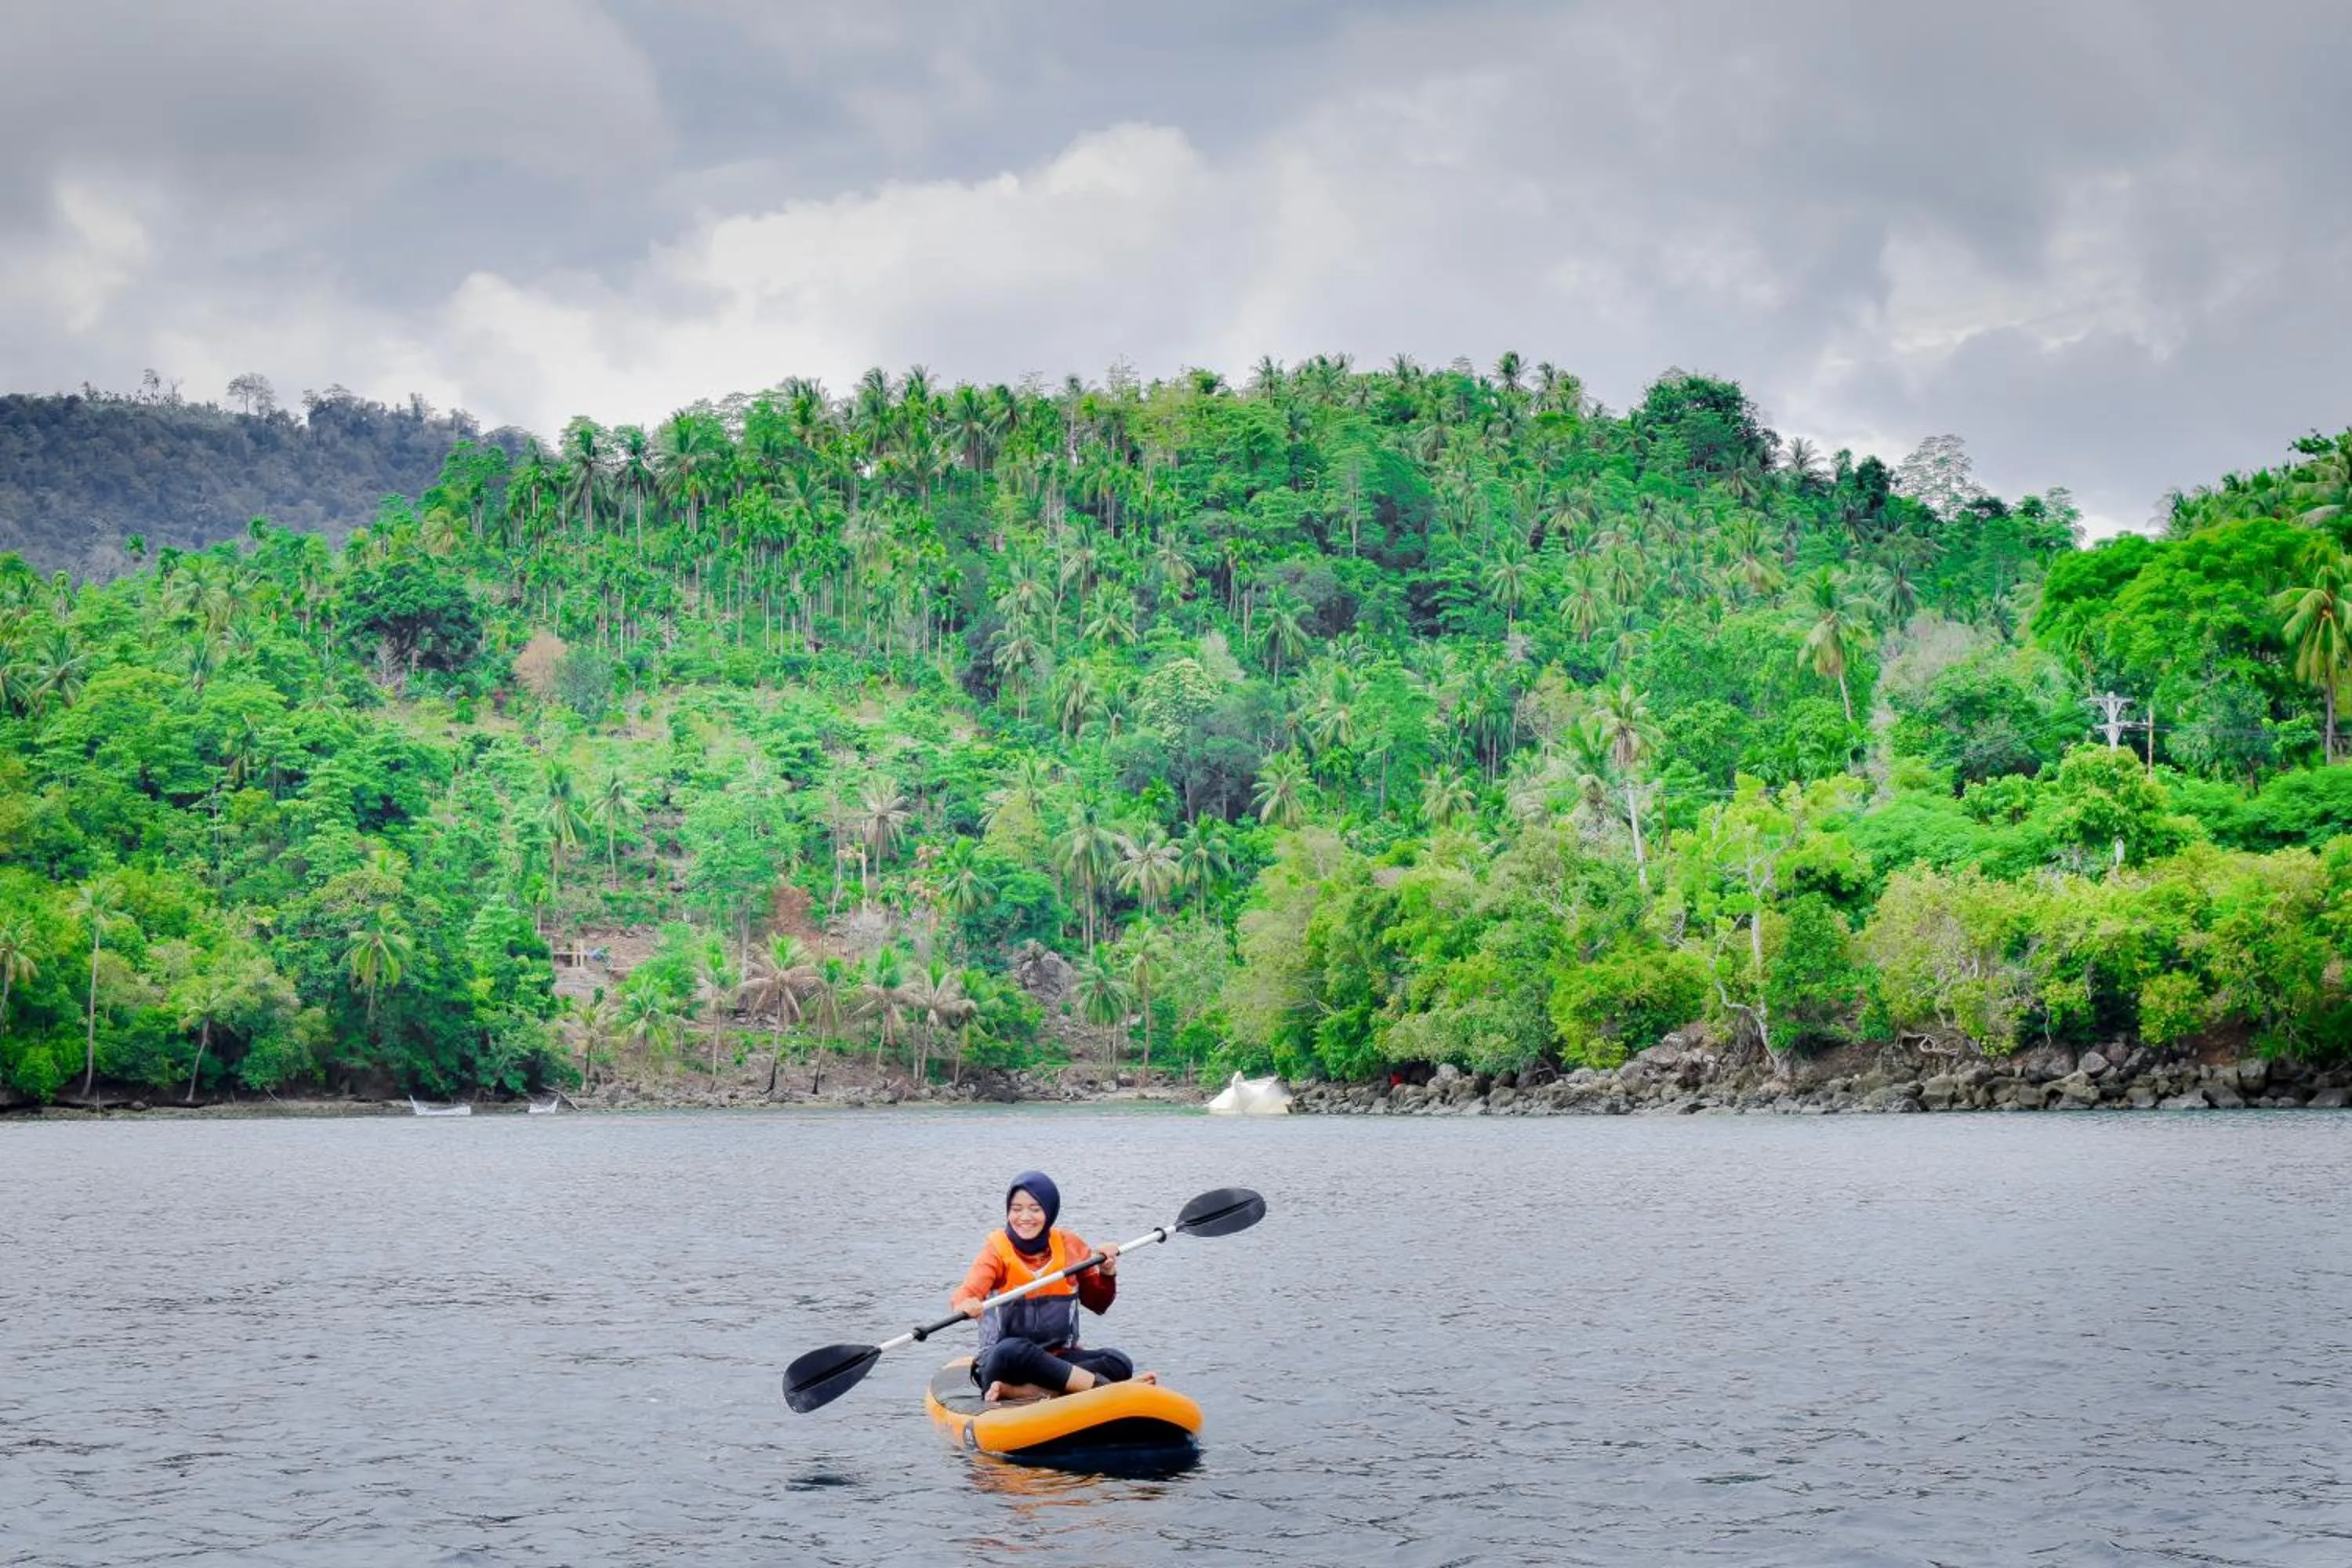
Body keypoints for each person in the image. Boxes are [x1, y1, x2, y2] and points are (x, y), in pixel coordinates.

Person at [950, 1170, 1157, 1403]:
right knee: (1013, 1349)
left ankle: (1024, 1393)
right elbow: (967, 1292)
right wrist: (965, 1304)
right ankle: (1106, 1390)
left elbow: (1098, 1304)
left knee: (1118, 1362)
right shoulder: (996, 1251)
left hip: (1061, 1361)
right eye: (1016, 1209)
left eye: (1035, 1209)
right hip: (1005, 1364)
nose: (1024, 1217)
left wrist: (1107, 1272)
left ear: (1049, 1212)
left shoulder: (1070, 1246)